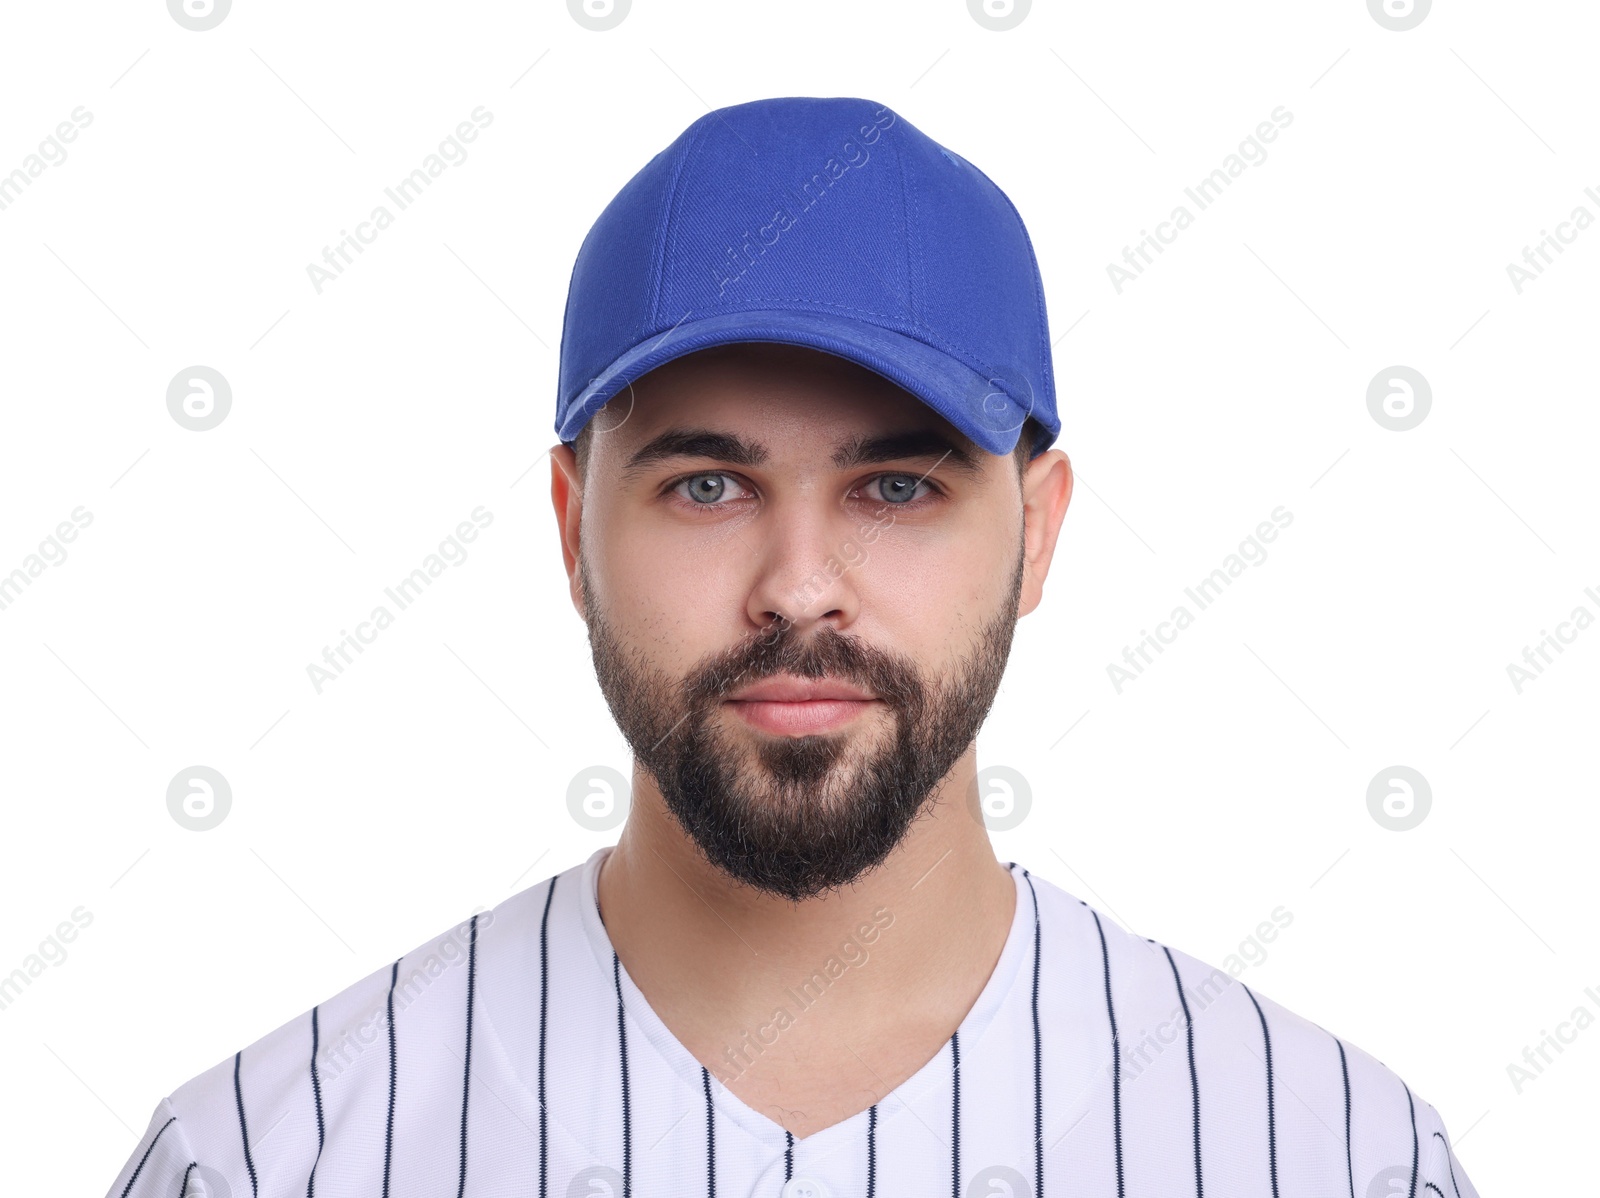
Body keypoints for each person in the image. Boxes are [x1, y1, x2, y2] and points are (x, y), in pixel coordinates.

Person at [105, 95, 1480, 1198]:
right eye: (707, 484)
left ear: (1039, 531)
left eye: (898, 486)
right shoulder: (265, 1156)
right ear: (574, 524)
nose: (799, 588)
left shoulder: (1337, 1155)